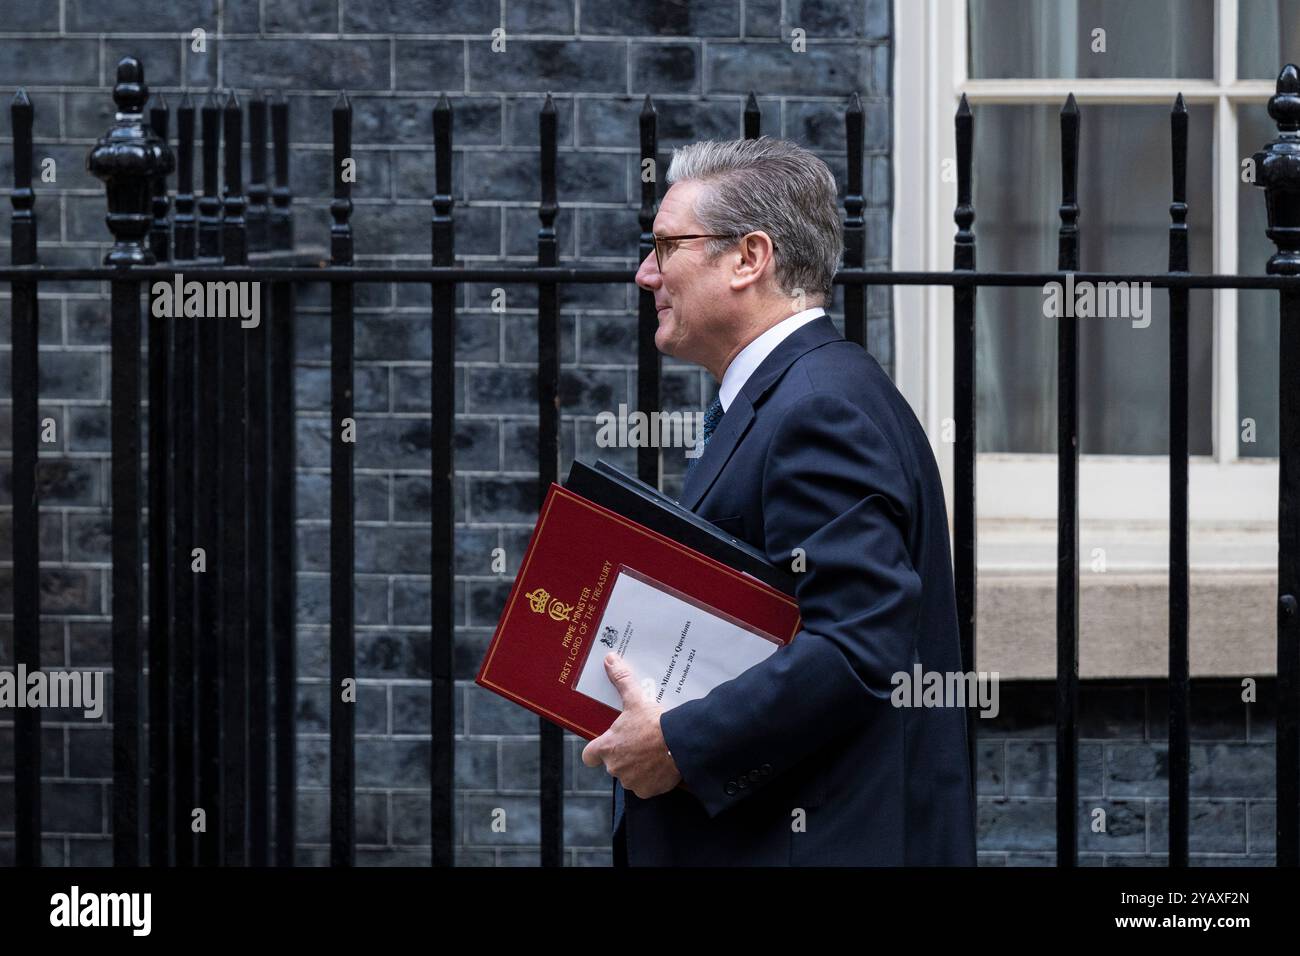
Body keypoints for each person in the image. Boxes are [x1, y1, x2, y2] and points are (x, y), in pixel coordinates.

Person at [580, 136, 977, 866]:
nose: (645, 273)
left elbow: (858, 646)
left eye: (666, 245)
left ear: (748, 258)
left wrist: (679, 742)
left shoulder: (818, 409)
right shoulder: (798, 392)